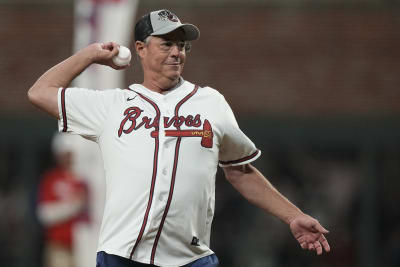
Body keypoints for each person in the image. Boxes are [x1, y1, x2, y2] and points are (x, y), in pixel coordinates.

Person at [28, 9, 330, 267]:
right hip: (122, 255)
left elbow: (240, 171)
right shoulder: (112, 106)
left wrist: (293, 216)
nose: (177, 52)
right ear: (140, 48)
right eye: (167, 44)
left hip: (191, 257)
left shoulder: (210, 103)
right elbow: (39, 92)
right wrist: (91, 54)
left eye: (182, 45)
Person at [37, 132, 89, 267]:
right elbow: (45, 214)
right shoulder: (52, 179)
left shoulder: (85, 178)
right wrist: (73, 207)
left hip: (84, 246)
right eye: (65, 153)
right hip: (60, 247)